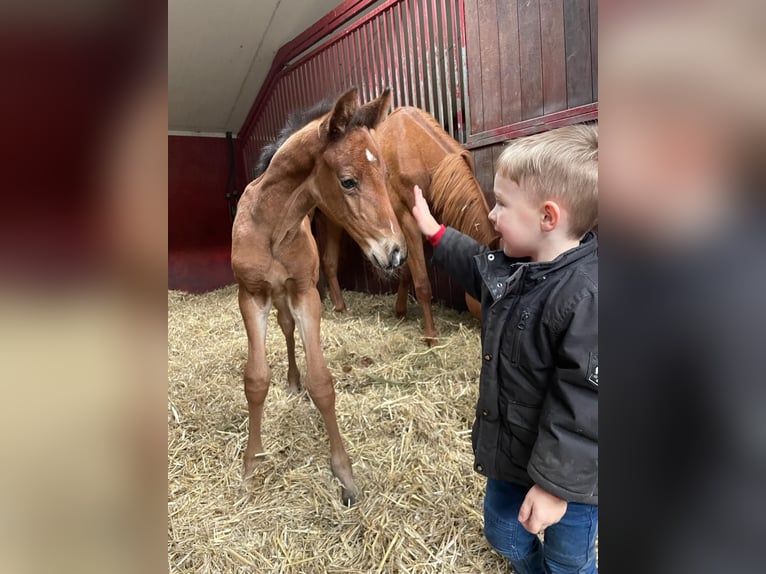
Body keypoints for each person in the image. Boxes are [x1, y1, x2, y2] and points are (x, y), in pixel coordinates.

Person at [410, 124, 598, 573]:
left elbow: (589, 404)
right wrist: (436, 233)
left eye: (502, 205)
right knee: (504, 533)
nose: (491, 216)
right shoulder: (518, 267)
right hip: (512, 452)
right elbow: (479, 273)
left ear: (548, 218)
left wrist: (555, 488)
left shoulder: (589, 297)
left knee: (567, 561)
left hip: (573, 478)